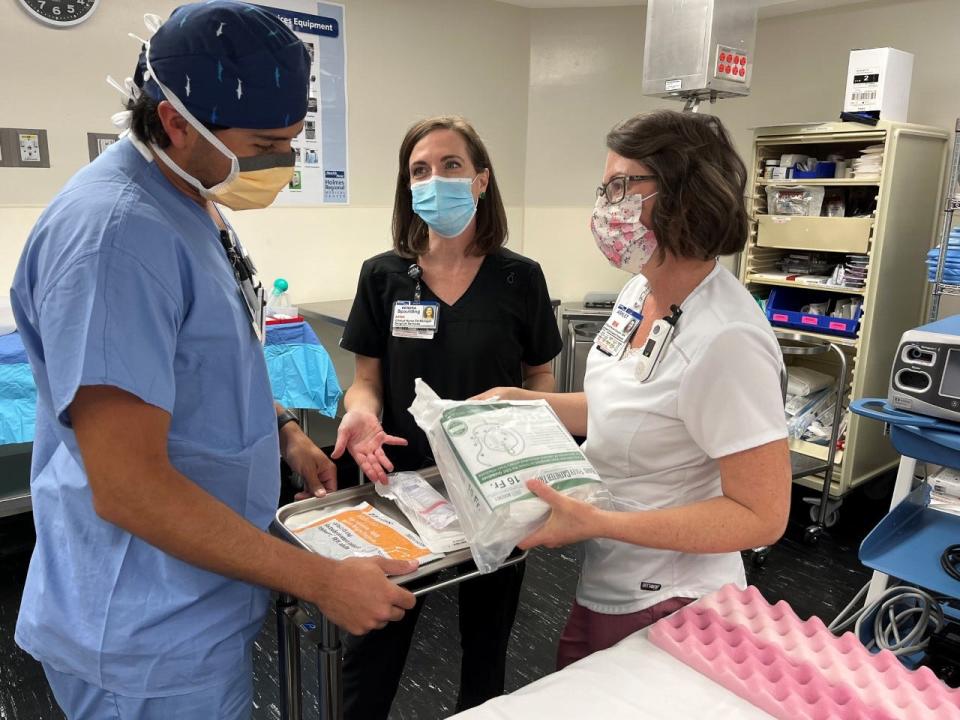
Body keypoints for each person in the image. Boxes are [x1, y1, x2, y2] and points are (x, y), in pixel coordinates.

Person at [11, 4, 415, 718]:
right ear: (174, 122)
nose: (283, 166)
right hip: (140, 629)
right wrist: (319, 580)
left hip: (193, 600)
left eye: (293, 142)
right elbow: (131, 488)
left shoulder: (190, 198)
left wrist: (282, 430)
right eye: (266, 144)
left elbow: (208, 356)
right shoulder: (116, 239)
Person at [476, 110, 791, 669]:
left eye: (621, 186)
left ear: (682, 196)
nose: (605, 206)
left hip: (672, 598)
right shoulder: (637, 292)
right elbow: (623, 410)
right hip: (610, 575)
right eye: (605, 187)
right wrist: (525, 400)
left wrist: (601, 523)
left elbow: (761, 514)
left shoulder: (728, 338)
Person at [333, 115, 563, 717]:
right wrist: (359, 414)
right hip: (398, 484)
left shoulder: (520, 277)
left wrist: (529, 432)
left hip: (495, 488)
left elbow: (541, 376)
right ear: (409, 188)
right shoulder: (384, 276)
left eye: (451, 165)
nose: (435, 179)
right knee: (375, 641)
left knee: (487, 644)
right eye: (420, 170)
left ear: (481, 180)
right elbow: (365, 384)